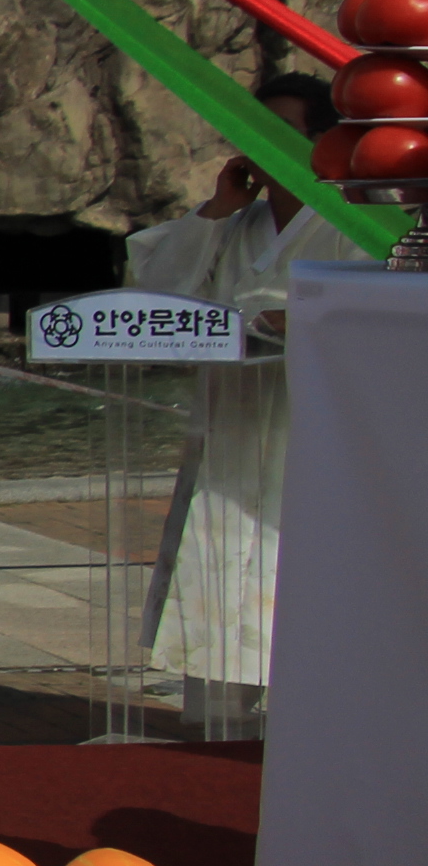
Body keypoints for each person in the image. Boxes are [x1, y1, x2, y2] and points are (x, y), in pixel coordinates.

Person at [126, 73, 346, 723]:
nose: (265, 144)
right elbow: (160, 295)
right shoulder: (234, 222)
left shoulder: (349, 220)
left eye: (283, 131)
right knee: (216, 564)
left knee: (293, 568)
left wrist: (298, 320)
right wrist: (217, 209)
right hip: (228, 419)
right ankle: (216, 718)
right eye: (256, 131)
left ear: (321, 140)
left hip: (307, 429)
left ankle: (306, 721)